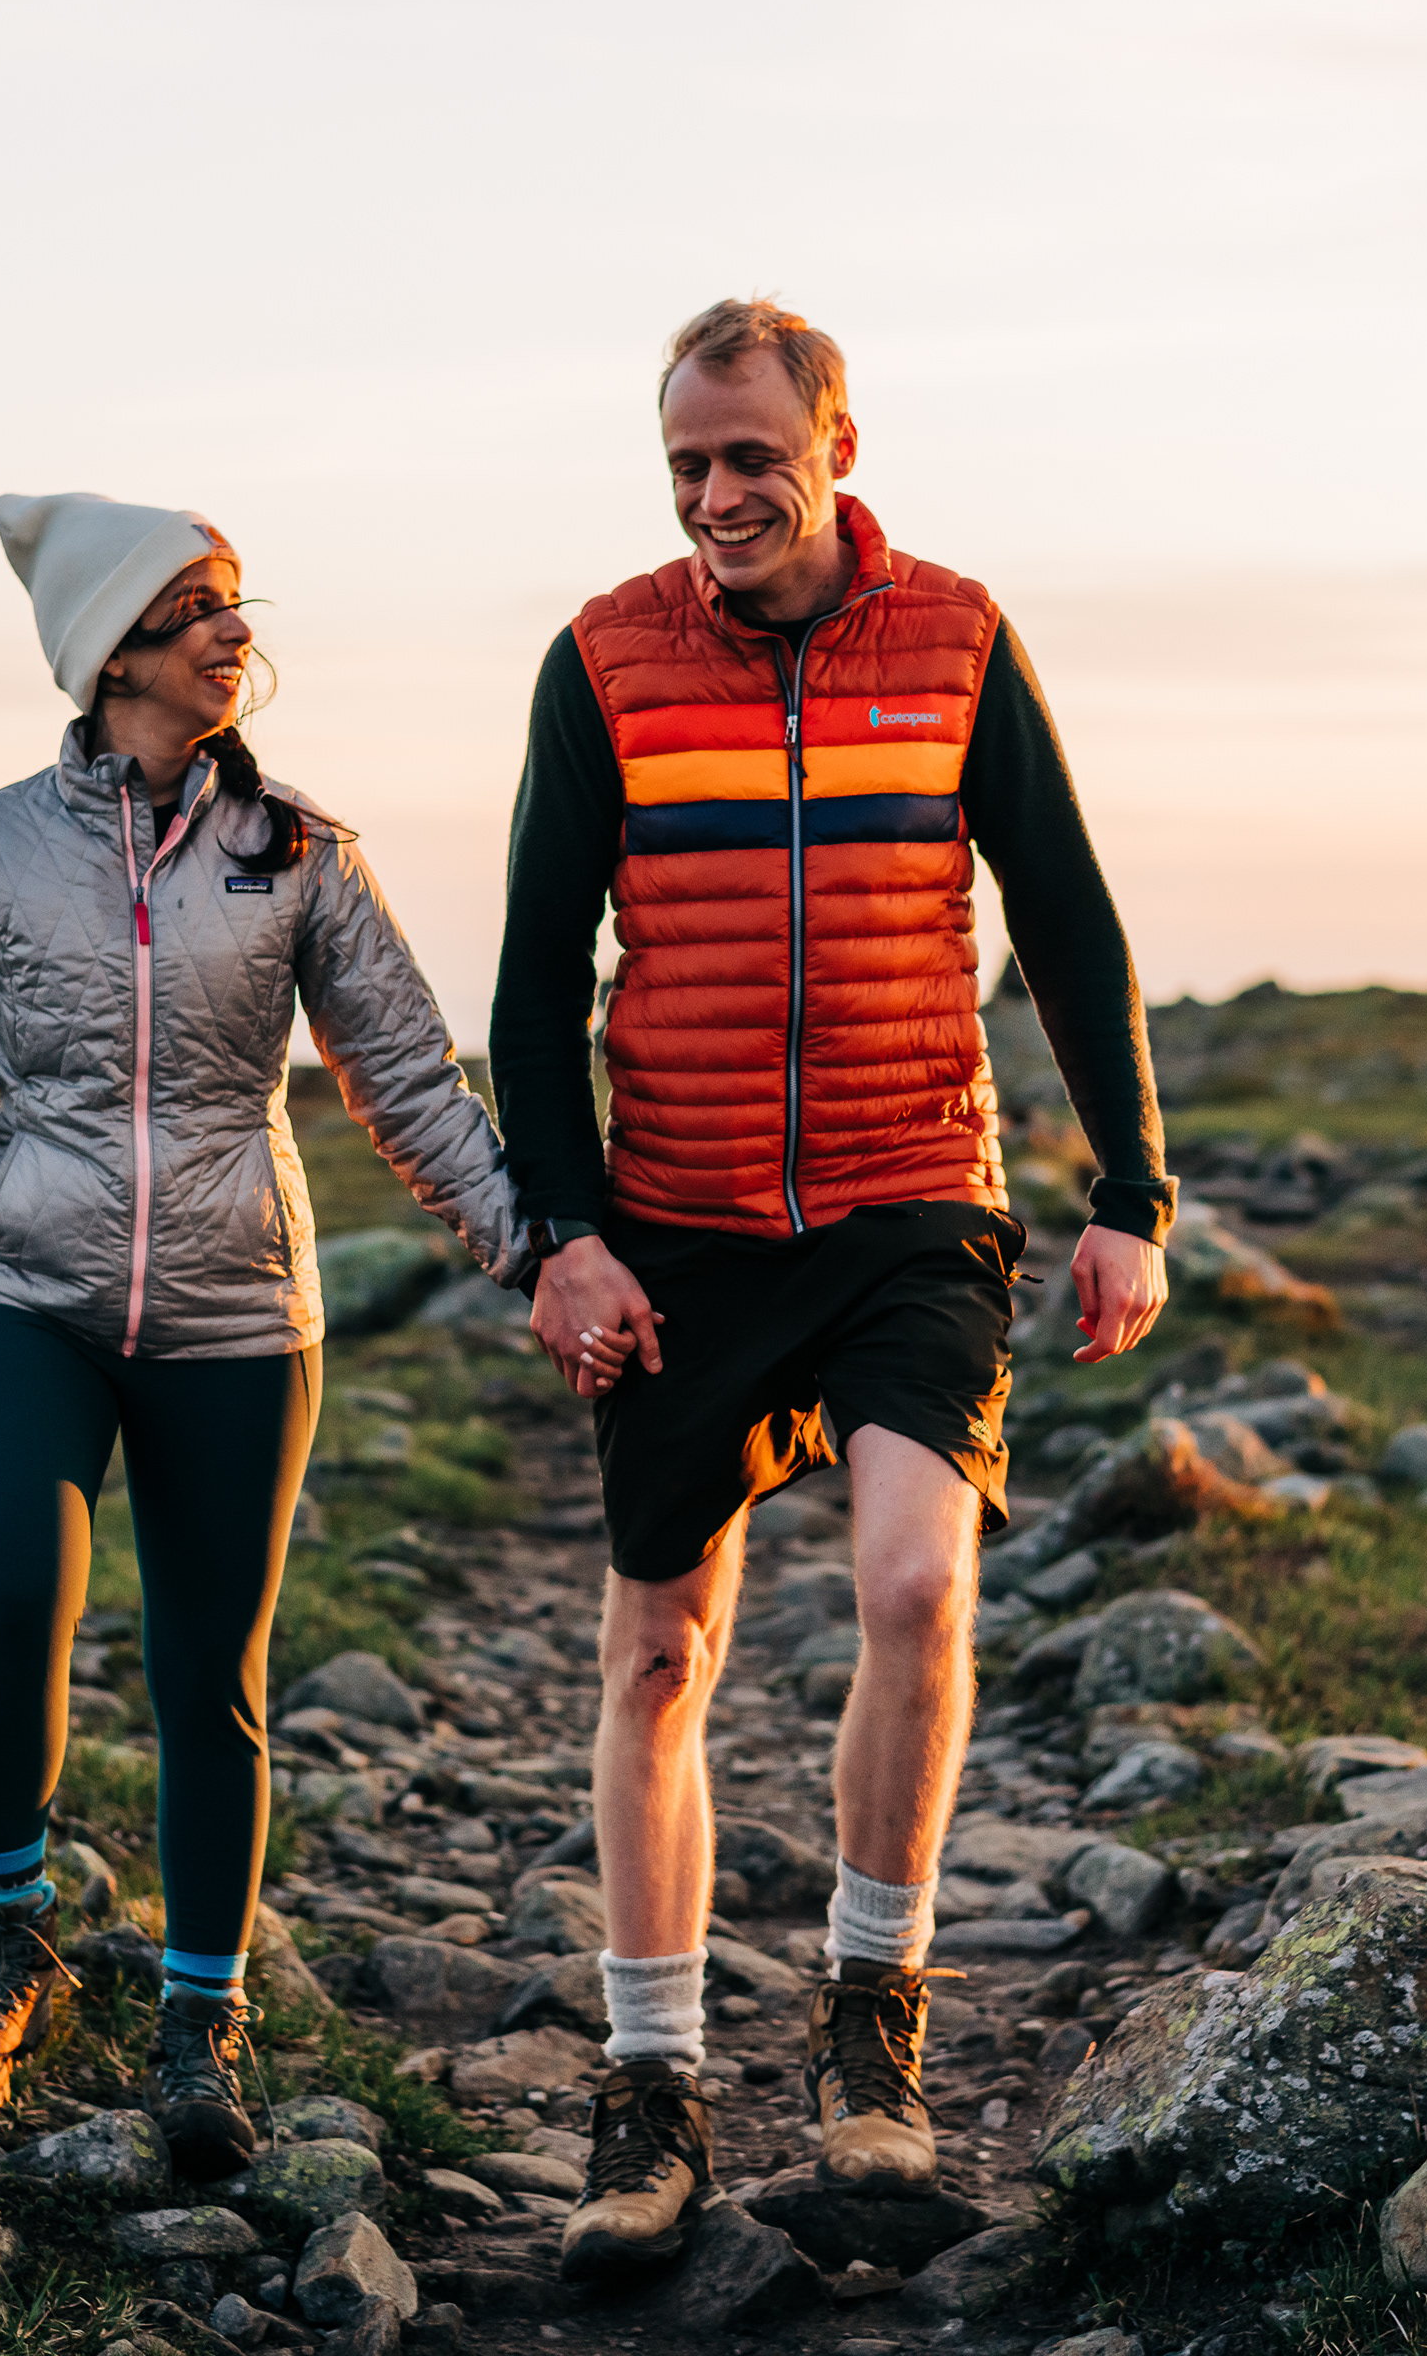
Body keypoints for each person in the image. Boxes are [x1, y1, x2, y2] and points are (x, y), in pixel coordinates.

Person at [489, 300, 1176, 2278]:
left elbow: (1066, 920)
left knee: (916, 1586)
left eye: (748, 458)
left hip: (908, 1198)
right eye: (685, 465)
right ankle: (651, 2087)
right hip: (681, 1221)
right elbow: (534, 980)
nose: (715, 496)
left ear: (838, 446)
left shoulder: (955, 638)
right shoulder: (603, 660)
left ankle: (874, 2029)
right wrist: (566, 1234)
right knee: (660, 1655)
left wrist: (1129, 1188)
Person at [0, 492, 530, 2178]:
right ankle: (7, 1941)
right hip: (17, 1298)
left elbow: (408, 1080)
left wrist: (538, 1256)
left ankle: (201, 2019)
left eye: (239, 603)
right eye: (196, 608)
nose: (234, 632)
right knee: (14, 1597)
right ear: (111, 652)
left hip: (238, 1313)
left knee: (209, 1673)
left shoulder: (301, 852)